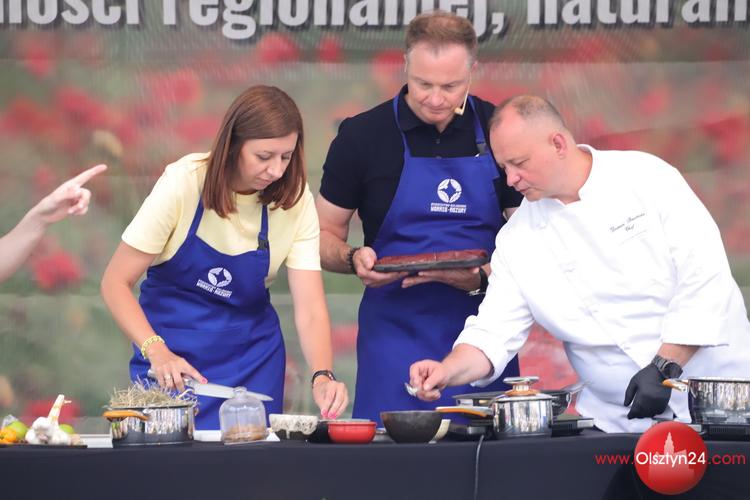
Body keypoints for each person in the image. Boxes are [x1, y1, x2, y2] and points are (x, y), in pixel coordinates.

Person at [409, 95, 750, 433]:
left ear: (558, 144)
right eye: (504, 168)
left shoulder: (647, 178)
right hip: (618, 422)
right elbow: (493, 332)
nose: (511, 179)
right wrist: (447, 371)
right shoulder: (517, 239)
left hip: (718, 405)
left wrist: (664, 366)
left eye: (520, 163)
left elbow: (705, 278)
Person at [101, 85, 348, 429]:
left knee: (252, 462)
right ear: (232, 145)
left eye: (286, 157)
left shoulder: (295, 199)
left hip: (252, 363)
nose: (276, 170)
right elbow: (115, 282)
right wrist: (156, 350)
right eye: (264, 156)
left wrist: (322, 375)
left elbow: (310, 307)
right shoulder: (184, 182)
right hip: (171, 363)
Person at [316, 11, 521, 423]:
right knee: (392, 455)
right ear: (405, 64)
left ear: (473, 70)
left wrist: (481, 277)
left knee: (485, 454)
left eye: (451, 86)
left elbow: (533, 244)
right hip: (393, 333)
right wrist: (353, 258)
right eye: (424, 84)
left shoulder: (501, 131)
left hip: (484, 331)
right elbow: (319, 236)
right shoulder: (362, 136)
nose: (436, 99)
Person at [0, 164, 107, 284]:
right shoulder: (10, 214)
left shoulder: (77, 225)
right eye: (40, 188)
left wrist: (39, 218)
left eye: (48, 186)